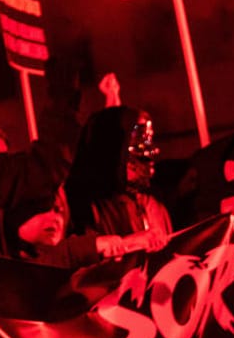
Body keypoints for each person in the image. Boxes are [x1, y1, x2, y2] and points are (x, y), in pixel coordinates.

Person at [63, 106, 171, 250]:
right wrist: (128, 243)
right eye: (138, 142)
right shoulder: (84, 208)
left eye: (148, 140)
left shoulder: (154, 204)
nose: (149, 153)